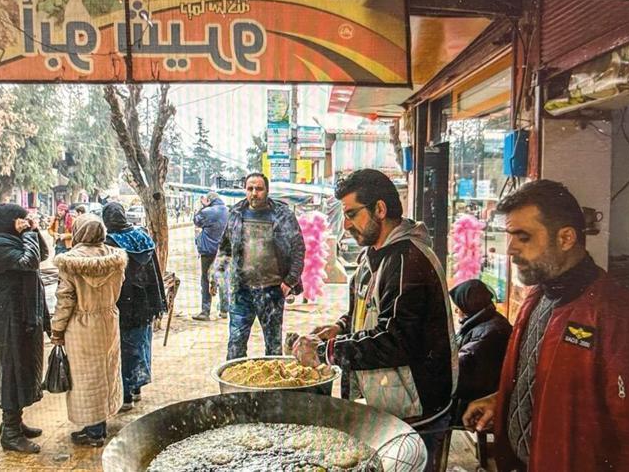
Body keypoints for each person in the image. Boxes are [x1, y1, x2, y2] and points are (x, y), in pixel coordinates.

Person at [462, 180, 629, 471]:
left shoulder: (620, 317)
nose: (510, 249)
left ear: (566, 238)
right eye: (510, 236)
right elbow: (556, 386)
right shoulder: (538, 296)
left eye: (523, 237)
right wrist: (504, 402)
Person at [293, 169, 457, 472]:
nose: (346, 225)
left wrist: (325, 352)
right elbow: (369, 309)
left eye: (352, 214)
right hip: (394, 402)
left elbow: (395, 340)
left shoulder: (408, 261)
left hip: (418, 411)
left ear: (379, 209)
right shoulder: (374, 255)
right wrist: (341, 327)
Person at [51, 214, 127, 447]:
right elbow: (119, 288)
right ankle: (99, 425)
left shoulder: (70, 262)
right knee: (106, 371)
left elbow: (65, 300)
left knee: (86, 378)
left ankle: (94, 432)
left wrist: (57, 330)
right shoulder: (115, 258)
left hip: (81, 326)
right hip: (108, 320)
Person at [0, 204, 50, 454]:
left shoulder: (12, 240)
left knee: (25, 367)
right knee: (12, 369)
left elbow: (42, 254)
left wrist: (34, 231)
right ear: (7, 222)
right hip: (9, 315)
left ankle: (16, 422)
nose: (23, 222)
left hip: (24, 313)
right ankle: (10, 432)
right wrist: (28, 234)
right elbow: (29, 262)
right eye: (20, 219)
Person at [217, 172, 305, 359]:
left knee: (273, 346)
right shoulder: (236, 214)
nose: (254, 193)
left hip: (272, 290)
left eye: (259, 189)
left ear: (267, 191)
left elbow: (298, 250)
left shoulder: (283, 216)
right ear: (245, 190)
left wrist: (290, 281)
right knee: (236, 343)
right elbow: (224, 247)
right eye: (250, 189)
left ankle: (272, 378)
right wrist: (217, 276)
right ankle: (235, 377)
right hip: (242, 290)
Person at [102, 202, 167, 411]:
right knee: (141, 344)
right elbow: (155, 273)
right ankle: (137, 388)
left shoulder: (109, 243)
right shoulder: (142, 237)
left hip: (124, 304)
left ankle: (126, 396)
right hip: (145, 302)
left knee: (123, 349)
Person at [450, 279, 512, 422]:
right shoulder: (483, 322)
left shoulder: (488, 332)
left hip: (477, 402)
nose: (457, 311)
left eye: (459, 306)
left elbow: (462, 368)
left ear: (469, 305)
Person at [192, 191, 229, 321]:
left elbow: (196, 221)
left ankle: (205, 311)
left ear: (209, 200)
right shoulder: (227, 211)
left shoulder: (207, 211)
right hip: (224, 250)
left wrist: (202, 206)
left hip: (208, 250)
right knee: (223, 278)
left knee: (205, 279)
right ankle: (224, 310)